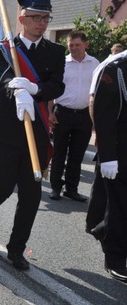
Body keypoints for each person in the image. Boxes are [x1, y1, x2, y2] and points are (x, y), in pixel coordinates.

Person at [0, 0, 65, 270]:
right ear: (22, 18)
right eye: (36, 17)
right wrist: (15, 87)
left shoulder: (55, 51)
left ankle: (16, 249)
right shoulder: (5, 48)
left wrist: (36, 89)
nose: (42, 23)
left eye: (45, 18)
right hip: (6, 131)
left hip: (36, 131)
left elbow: (58, 85)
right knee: (1, 185)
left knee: (31, 193)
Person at [48, 30, 99, 202]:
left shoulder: (95, 64)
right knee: (59, 153)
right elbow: (52, 89)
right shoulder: (61, 63)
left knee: (77, 155)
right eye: (71, 45)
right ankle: (55, 187)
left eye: (77, 45)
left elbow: (97, 92)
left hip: (84, 116)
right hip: (62, 113)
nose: (74, 48)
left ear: (86, 45)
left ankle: (71, 189)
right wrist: (49, 113)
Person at [91, 56, 127, 282]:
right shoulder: (117, 69)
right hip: (121, 154)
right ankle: (115, 258)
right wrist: (107, 157)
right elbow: (103, 116)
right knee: (119, 207)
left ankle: (102, 228)